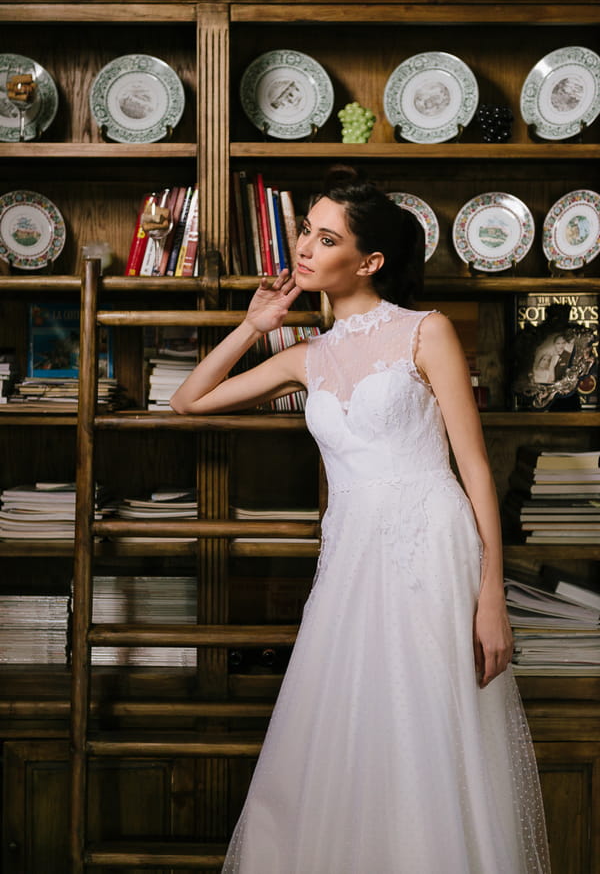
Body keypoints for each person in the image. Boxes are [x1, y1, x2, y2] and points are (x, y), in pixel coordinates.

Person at [170, 166, 550, 873]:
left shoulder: (425, 331)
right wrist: (253, 325)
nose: (304, 250)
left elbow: (474, 467)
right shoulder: (306, 356)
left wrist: (492, 594)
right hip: (348, 560)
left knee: (428, 735)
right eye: (305, 233)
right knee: (347, 737)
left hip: (430, 549)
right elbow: (188, 402)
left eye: (325, 237)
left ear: (369, 261)